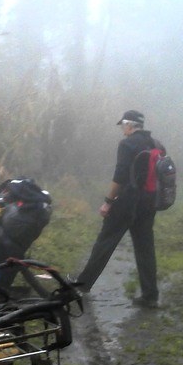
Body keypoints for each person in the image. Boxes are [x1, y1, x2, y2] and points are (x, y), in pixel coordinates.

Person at [76, 109, 163, 308]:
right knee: (145, 249)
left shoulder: (127, 144)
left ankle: (81, 286)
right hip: (149, 204)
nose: (123, 130)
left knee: (105, 243)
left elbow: (120, 176)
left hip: (126, 203)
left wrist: (108, 201)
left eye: (123, 126)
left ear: (129, 125)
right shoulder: (156, 144)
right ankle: (150, 296)